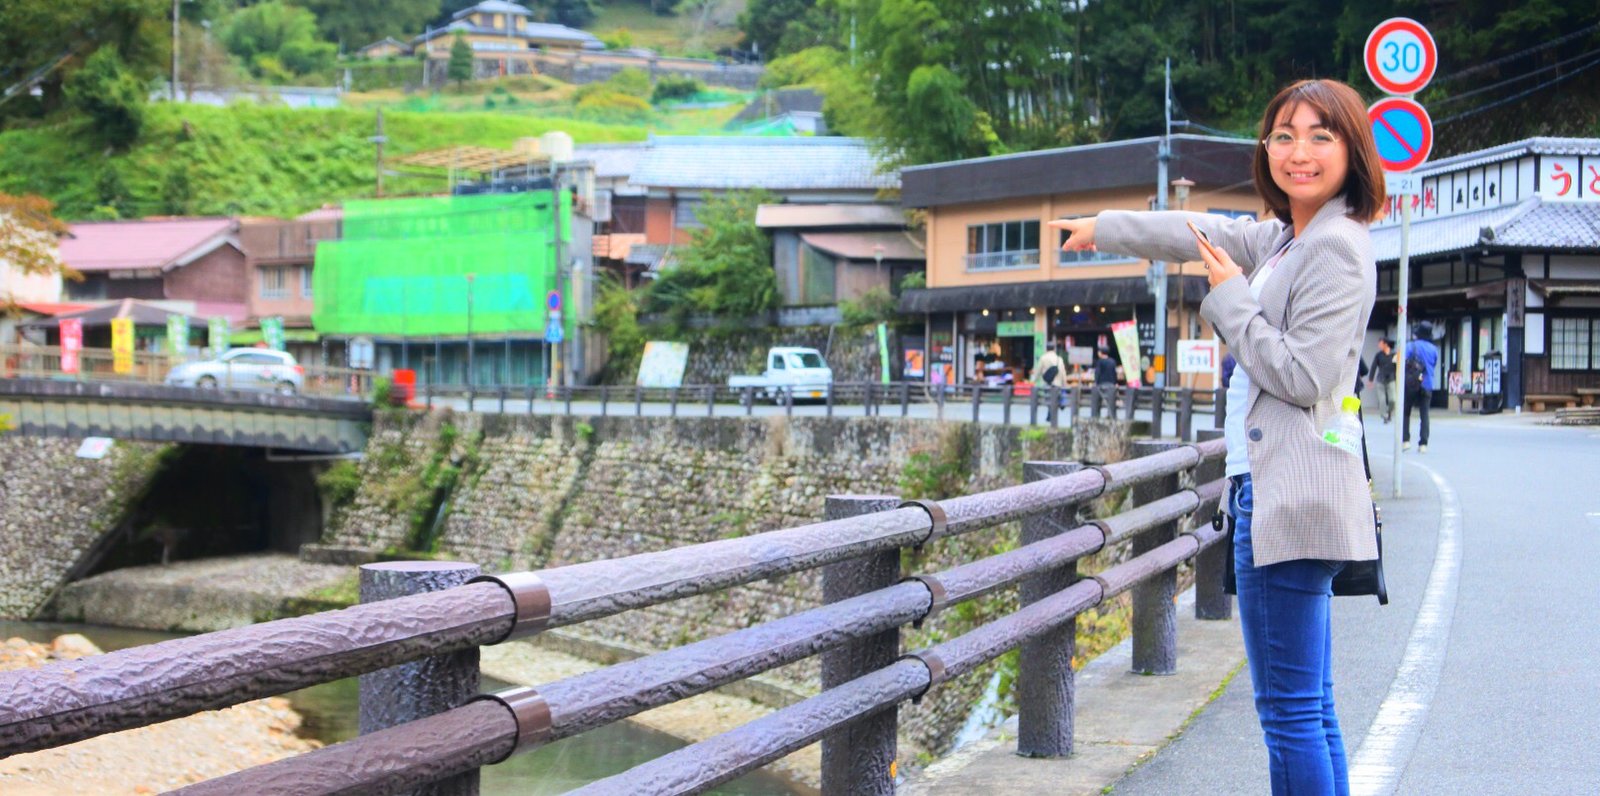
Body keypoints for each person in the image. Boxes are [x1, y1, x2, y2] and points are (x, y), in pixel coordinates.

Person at [1050, 78, 1384, 795]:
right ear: (1266, 148)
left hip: (1287, 497)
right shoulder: (1293, 236)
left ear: (1352, 151)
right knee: (1310, 707)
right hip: (1286, 490)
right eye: (1284, 136)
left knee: (1289, 713)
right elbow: (1203, 232)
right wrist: (1105, 227)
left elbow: (1302, 374)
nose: (1299, 152)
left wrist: (1230, 299)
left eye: (1321, 136)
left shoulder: (1335, 248)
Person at [1403, 323, 1439, 452]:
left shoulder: (1410, 346)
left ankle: (1405, 440)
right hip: (1427, 383)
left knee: (1406, 412)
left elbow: (1401, 361)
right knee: (1424, 414)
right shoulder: (1434, 349)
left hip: (1411, 384)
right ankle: (1423, 444)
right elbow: (1434, 364)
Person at [1033, 341, 1067, 422]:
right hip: (1057, 383)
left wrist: (1034, 380)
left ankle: (1050, 416)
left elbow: (1038, 371)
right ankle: (1051, 415)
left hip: (1048, 383)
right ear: (1054, 349)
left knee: (1049, 399)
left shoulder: (1043, 358)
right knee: (1055, 399)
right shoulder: (1059, 359)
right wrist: (1064, 383)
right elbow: (1063, 372)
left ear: (1046, 349)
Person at [1367, 338, 1397, 422]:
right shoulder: (1378, 355)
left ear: (1385, 344)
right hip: (1381, 379)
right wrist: (1370, 380)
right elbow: (1373, 367)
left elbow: (1398, 368)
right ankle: (1384, 416)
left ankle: (1389, 412)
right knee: (1382, 400)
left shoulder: (1394, 354)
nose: (1378, 345)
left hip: (1391, 379)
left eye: (1380, 343)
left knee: (1393, 400)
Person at [1090, 346, 1118, 417]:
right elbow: (1114, 373)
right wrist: (1115, 383)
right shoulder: (1113, 361)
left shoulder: (1100, 362)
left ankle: (1095, 416)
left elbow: (1097, 373)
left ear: (1101, 353)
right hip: (1111, 385)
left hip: (1101, 385)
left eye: (1099, 352)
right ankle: (1111, 417)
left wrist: (1095, 382)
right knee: (1111, 403)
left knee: (1097, 402)